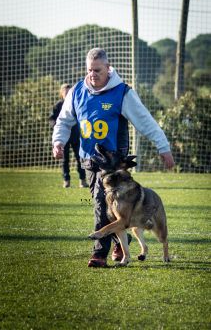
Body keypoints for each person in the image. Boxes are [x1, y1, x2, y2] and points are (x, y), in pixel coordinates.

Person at [52, 48, 175, 267]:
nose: (93, 74)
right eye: (89, 70)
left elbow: (145, 121)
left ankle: (99, 254)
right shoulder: (77, 91)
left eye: (97, 70)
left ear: (108, 69)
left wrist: (163, 147)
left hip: (115, 164)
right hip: (89, 159)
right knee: (108, 208)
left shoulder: (122, 92)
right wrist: (58, 141)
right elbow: (64, 120)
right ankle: (123, 240)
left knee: (101, 203)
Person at [49, 83, 88, 188]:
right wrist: (56, 126)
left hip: (76, 136)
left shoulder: (76, 103)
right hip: (64, 139)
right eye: (65, 92)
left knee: (80, 158)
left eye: (69, 91)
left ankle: (82, 180)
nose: (67, 93)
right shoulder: (58, 106)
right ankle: (66, 181)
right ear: (61, 94)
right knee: (65, 160)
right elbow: (52, 119)